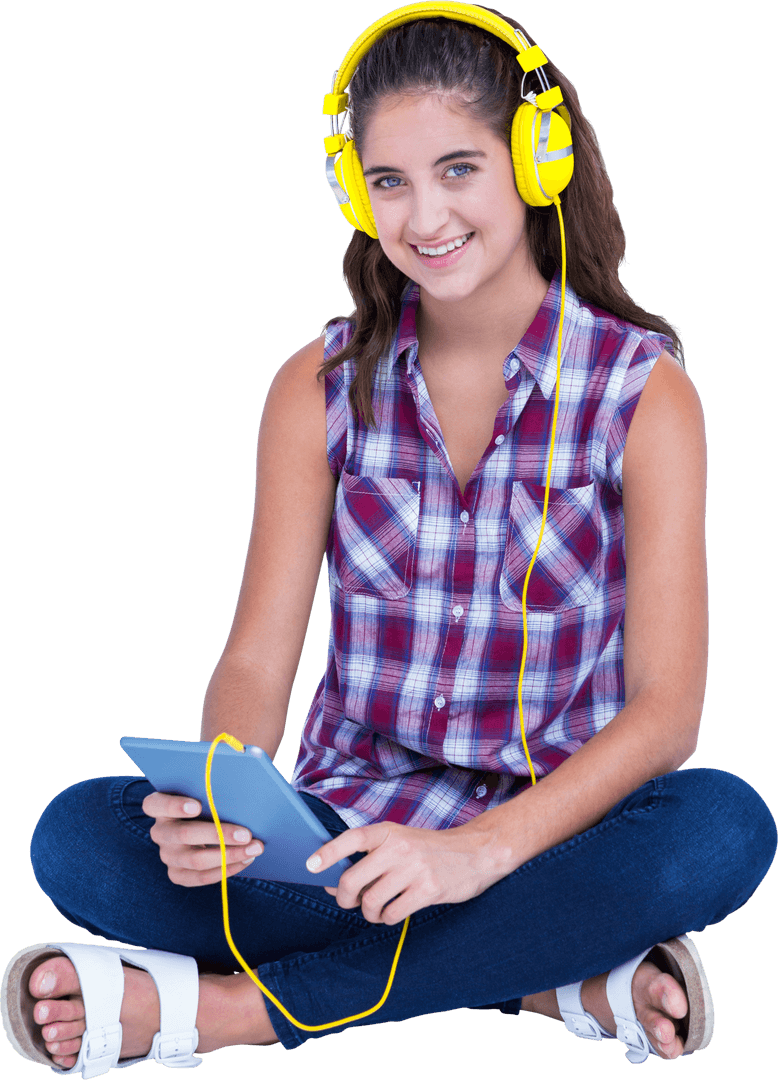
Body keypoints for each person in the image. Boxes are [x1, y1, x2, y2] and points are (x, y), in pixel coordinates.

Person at [2, 3, 775, 1073]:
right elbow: (256, 658)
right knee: (81, 841)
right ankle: (548, 984)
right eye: (391, 182)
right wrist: (223, 796)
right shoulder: (313, 387)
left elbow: (664, 718)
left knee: (721, 830)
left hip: (547, 841)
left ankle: (227, 1014)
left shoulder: (645, 397)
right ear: (352, 193)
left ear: (534, 162)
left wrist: (473, 855)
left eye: (459, 168)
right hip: (343, 837)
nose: (424, 215)